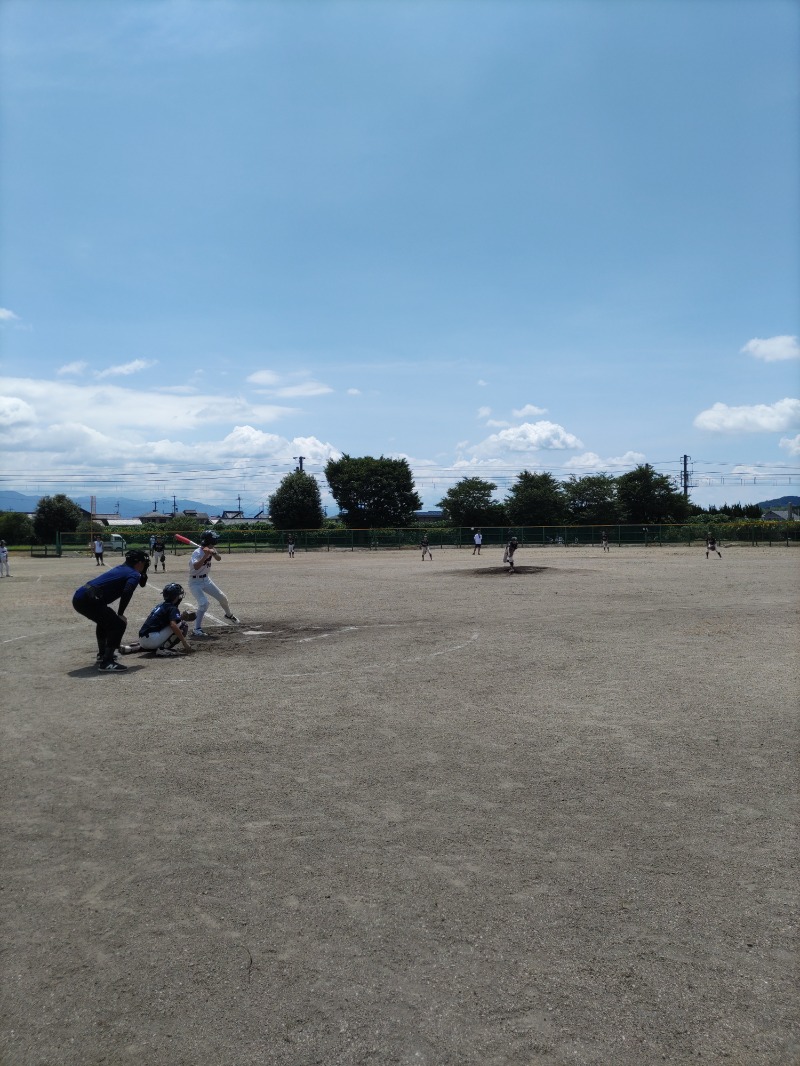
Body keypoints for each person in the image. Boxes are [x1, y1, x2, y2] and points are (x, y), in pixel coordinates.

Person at [72, 549, 150, 671]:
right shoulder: (133, 574)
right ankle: (107, 662)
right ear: (138, 563)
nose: (145, 565)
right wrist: (120, 613)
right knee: (118, 625)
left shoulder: (122, 568)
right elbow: (127, 591)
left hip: (81, 596)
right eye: (144, 562)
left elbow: (140, 584)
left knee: (105, 621)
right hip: (89, 599)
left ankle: (103, 654)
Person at [121, 583, 194, 658]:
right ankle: (163, 649)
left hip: (142, 640)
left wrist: (181, 617)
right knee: (183, 625)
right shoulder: (173, 608)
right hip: (152, 640)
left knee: (176, 623)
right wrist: (184, 643)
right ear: (175, 597)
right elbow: (173, 625)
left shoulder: (160, 605)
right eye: (179, 595)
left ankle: (133, 648)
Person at [189, 529, 239, 636]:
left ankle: (229, 615)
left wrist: (214, 553)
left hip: (206, 580)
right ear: (210, 540)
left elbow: (219, 558)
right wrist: (206, 555)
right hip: (195, 582)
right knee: (204, 603)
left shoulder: (211, 548)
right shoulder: (197, 552)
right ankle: (196, 629)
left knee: (222, 597)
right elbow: (196, 566)